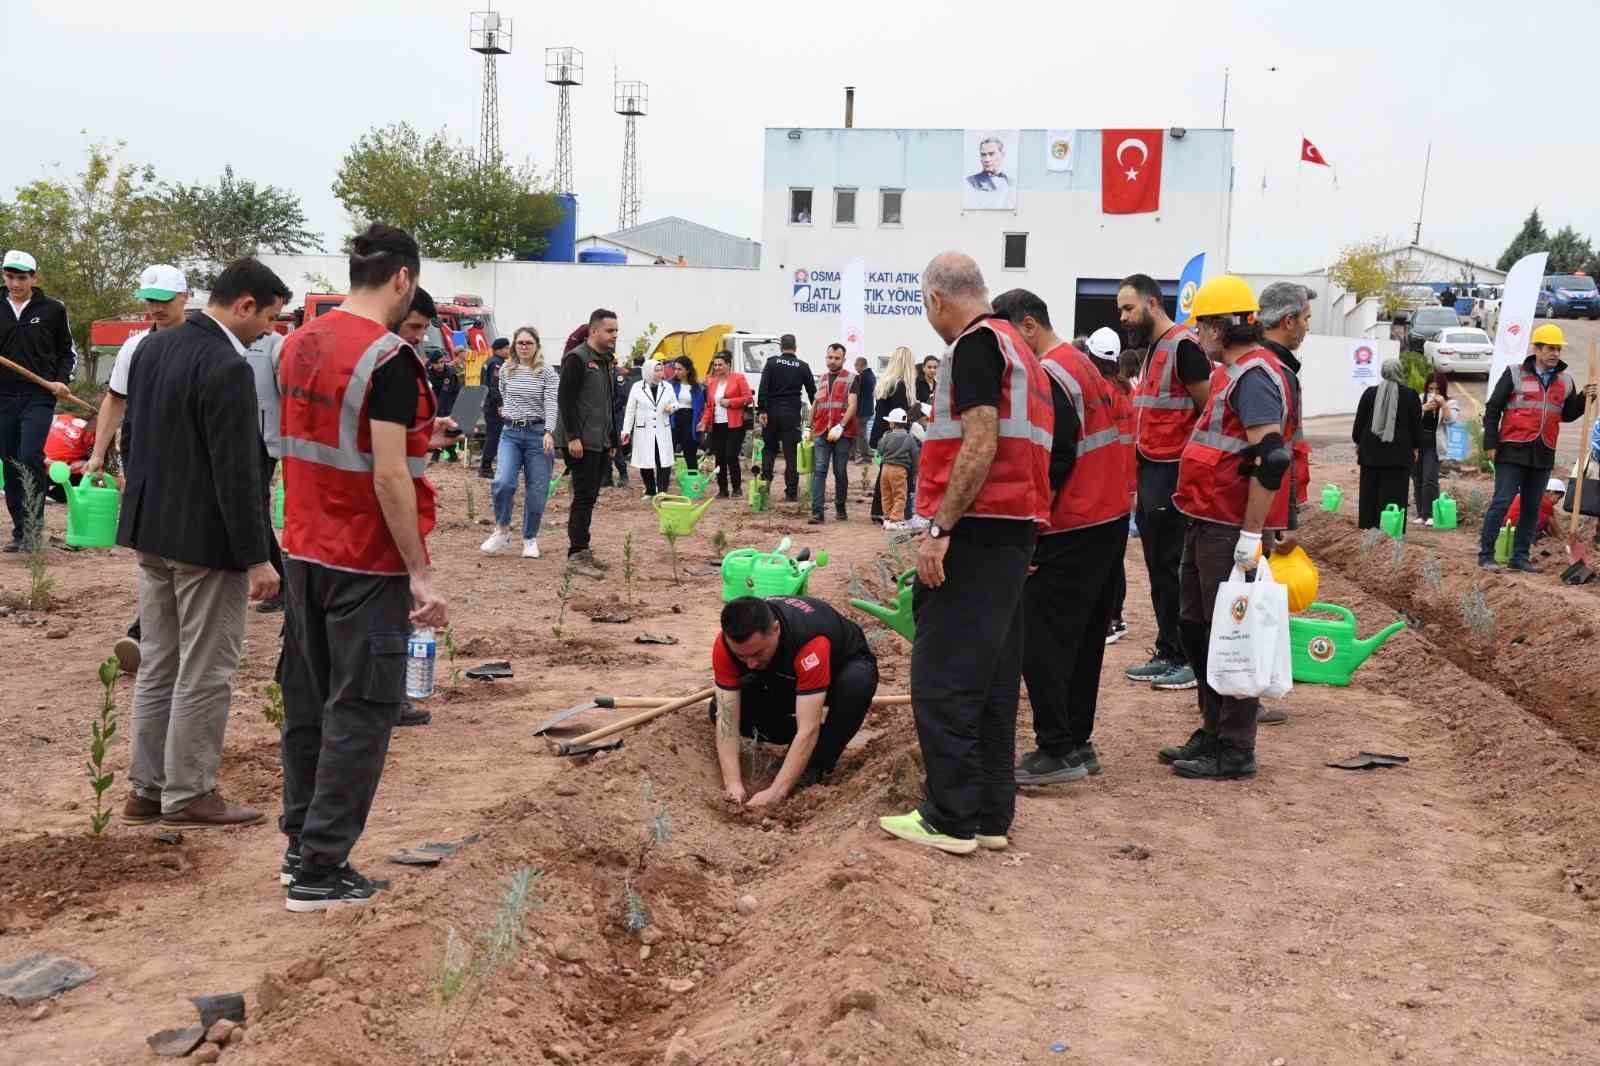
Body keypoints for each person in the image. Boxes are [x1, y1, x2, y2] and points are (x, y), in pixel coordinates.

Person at [276, 224, 453, 910]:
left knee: (307, 704)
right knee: (362, 709)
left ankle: (300, 850)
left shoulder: (295, 343)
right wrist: (420, 572)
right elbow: (386, 478)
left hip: (304, 549)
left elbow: (320, 438)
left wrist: (417, 436)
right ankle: (322, 869)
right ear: (403, 279)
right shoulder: (389, 358)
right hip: (365, 560)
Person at [878, 252, 1053, 856]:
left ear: (935, 300)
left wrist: (941, 528)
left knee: (941, 678)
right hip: (1013, 530)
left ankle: (949, 817)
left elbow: (981, 438)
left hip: (976, 532)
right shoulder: (1022, 351)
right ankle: (988, 814)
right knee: (994, 680)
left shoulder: (976, 346)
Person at [117, 257, 288, 830]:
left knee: (160, 661)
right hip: (205, 543)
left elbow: (132, 438)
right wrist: (257, 556)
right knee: (207, 668)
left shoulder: (150, 348)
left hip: (152, 531)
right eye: (267, 318)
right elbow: (237, 473)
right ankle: (188, 792)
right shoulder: (226, 366)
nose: (268, 330)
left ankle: (146, 789)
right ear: (243, 305)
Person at [992, 289, 1132, 787]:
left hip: (1074, 520)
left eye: (1008, 341)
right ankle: (1076, 740)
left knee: (1043, 638)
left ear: (1028, 326)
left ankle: (1056, 748)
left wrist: (1031, 529)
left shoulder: (1051, 373)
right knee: (1084, 636)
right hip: (1108, 516)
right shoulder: (1080, 362)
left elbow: (1054, 455)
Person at [1163, 275, 1299, 780]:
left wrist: (1250, 534)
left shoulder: (1255, 377)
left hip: (1227, 527)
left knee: (1230, 631)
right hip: (1205, 518)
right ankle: (1214, 728)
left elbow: (1272, 457)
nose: (1197, 338)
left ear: (1222, 327)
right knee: (1197, 628)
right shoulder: (1233, 372)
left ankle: (1235, 746)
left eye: (1202, 327)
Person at [84, 264, 190, 671]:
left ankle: (147, 634)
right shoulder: (135, 346)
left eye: (163, 301)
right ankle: (148, 633)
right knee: (153, 551)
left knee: (180, 552)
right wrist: (98, 454)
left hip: (191, 464)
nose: (156, 309)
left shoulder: (207, 345)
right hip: (146, 461)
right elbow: (115, 400)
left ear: (184, 296)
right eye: (150, 301)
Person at [1121, 273, 1210, 692]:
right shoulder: (1154, 349)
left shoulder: (1183, 347)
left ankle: (1188, 659)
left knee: (1174, 566)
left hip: (1174, 472)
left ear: (1153, 304)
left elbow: (1208, 412)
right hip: (1151, 469)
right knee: (1158, 565)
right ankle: (1169, 649)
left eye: (1128, 308)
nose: (1124, 317)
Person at [711, 596, 878, 806]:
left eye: (757, 653)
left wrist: (776, 791)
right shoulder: (725, 646)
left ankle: (816, 762)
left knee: (856, 685)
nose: (750, 664)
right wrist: (732, 784)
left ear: (776, 629)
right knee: (718, 708)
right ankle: (796, 741)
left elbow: (808, 728)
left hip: (841, 669)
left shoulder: (810, 640)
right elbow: (726, 719)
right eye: (742, 657)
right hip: (786, 673)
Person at [1479, 324, 1594, 573]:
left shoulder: (1565, 380)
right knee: (1501, 502)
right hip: (1512, 449)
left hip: (1543, 452)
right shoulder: (1515, 374)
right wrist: (1490, 443)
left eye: (1558, 349)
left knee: (1532, 507)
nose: (1555, 353)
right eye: (1550, 348)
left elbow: (1567, 414)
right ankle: (1486, 554)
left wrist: (1585, 399)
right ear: (1537, 349)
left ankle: (1519, 557)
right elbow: (1492, 409)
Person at [1, 250, 77, 554]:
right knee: (9, 461)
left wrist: (62, 381)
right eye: (10, 276)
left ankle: (34, 528)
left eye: (22, 277)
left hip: (39, 396)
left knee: (30, 454)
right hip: (3, 397)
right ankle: (20, 530)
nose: (15, 283)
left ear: (34, 278)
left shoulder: (52, 310)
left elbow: (67, 352)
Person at [554, 309, 620, 580]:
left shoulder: (604, 361)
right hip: (581, 442)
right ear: (594, 331)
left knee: (590, 497)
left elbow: (607, 405)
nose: (615, 335)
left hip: (600, 441)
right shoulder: (577, 359)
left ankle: (583, 549)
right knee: (582, 498)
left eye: (616, 331)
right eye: (610, 330)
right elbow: (566, 400)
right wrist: (572, 437)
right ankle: (576, 555)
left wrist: (612, 440)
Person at [483, 326, 559, 559]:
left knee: (537, 490)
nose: (524, 347)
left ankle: (529, 538)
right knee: (503, 482)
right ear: (514, 346)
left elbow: (551, 404)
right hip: (512, 433)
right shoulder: (506, 369)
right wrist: (509, 412)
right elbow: (505, 395)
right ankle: (502, 530)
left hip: (538, 435)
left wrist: (549, 431)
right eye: (520, 343)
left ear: (536, 346)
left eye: (529, 343)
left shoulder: (547, 373)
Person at [243, 323, 287, 614]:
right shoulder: (225, 340)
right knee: (250, 509)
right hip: (229, 439)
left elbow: (287, 390)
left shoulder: (274, 344)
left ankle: (281, 585)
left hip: (262, 441)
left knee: (255, 509)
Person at [1352, 359, 1423, 531]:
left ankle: (1369, 530)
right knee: (1395, 495)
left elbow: (1358, 427)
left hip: (1370, 454)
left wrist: (1359, 443)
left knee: (1370, 494)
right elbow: (1416, 428)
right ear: (1399, 372)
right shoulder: (1410, 395)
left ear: (1383, 372)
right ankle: (1391, 530)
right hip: (1399, 455)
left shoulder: (1369, 393)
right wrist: (1416, 447)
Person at [1105, 347, 1141, 645]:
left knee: (1108, 560)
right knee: (1114, 557)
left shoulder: (1108, 394)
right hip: (1123, 486)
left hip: (1107, 487)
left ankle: (1111, 619)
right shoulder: (1126, 391)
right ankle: (1115, 618)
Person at [757, 334, 816, 501]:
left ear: (781, 347)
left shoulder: (771, 363)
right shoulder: (802, 366)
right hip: (791, 414)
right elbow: (813, 393)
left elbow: (763, 388)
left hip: (772, 413)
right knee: (791, 454)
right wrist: (818, 413)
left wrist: (762, 410)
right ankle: (791, 493)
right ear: (795, 347)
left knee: (769, 449)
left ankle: (764, 487)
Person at [809, 342, 861, 525]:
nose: (832, 361)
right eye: (830, 357)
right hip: (822, 431)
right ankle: (817, 512)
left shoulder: (852, 379)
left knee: (840, 471)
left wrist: (841, 426)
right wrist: (809, 427)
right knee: (820, 470)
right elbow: (816, 404)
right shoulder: (822, 379)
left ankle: (840, 507)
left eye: (837, 358)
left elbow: (852, 404)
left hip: (842, 434)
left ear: (843, 359)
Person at [870, 346, 921, 522]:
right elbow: (900, 413)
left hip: (880, 432)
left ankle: (879, 509)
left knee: (885, 472)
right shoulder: (900, 386)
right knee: (897, 474)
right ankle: (892, 512)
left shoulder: (885, 383)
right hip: (894, 434)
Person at [699, 350, 754, 498]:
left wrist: (731, 402)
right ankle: (722, 489)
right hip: (717, 424)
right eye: (715, 365)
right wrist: (704, 422)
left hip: (735, 424)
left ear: (728, 365)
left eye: (720, 365)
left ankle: (736, 488)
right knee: (719, 457)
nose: (717, 367)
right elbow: (709, 406)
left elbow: (748, 398)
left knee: (731, 455)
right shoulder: (712, 382)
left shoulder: (738, 378)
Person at [622, 358, 678, 496]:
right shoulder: (637, 387)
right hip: (644, 430)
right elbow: (630, 410)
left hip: (661, 429)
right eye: (656, 370)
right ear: (648, 372)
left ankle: (663, 490)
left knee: (663, 460)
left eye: (661, 370)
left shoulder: (667, 387)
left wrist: (672, 408)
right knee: (645, 461)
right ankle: (650, 490)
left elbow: (676, 403)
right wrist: (626, 431)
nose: (660, 373)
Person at [1414, 373, 1460, 525]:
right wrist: (1423, 408)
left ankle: (1432, 514)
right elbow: (1410, 417)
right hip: (1418, 443)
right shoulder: (1420, 398)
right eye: (1430, 389)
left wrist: (1443, 405)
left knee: (1430, 479)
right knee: (1417, 478)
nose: (1433, 393)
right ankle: (1421, 513)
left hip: (1435, 444)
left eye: (1437, 390)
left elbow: (1451, 421)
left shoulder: (1451, 402)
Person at [876, 409, 918, 529]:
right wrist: (915, 472)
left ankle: (888, 518)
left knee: (886, 494)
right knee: (900, 495)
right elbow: (915, 456)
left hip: (885, 468)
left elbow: (880, 450)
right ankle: (896, 520)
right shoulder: (909, 438)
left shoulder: (886, 436)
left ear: (893, 423)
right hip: (900, 470)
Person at [607, 352, 640, 489]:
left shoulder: (617, 376)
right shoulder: (598, 374)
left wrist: (610, 410)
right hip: (599, 417)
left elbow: (621, 397)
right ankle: (606, 476)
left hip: (615, 416)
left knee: (616, 446)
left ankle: (623, 473)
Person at [478, 337, 509, 479]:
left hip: (489, 404)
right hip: (494, 406)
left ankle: (490, 464)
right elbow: (495, 387)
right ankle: (485, 467)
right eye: (506, 348)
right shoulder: (497, 364)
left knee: (495, 435)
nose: (508, 351)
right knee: (494, 436)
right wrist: (500, 404)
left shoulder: (489, 362)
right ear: (498, 349)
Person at [665, 356, 701, 470]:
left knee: (690, 452)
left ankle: (693, 479)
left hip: (690, 420)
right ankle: (663, 480)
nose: (676, 372)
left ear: (688, 370)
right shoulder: (669, 384)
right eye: (675, 369)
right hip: (673, 419)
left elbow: (700, 407)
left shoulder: (696, 387)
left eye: (680, 369)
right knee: (668, 451)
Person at [964, 136, 1013, 207]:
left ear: (1002, 155)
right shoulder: (970, 182)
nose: (986, 159)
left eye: (991, 154)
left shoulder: (1011, 181)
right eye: (983, 155)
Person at [851, 355, 877, 462]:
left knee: (859, 434)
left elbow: (857, 394)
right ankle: (866, 453)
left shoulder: (862, 377)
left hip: (862, 410)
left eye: (856, 366)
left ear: (860, 365)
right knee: (862, 433)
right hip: (868, 409)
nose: (855, 368)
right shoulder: (872, 375)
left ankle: (862, 455)